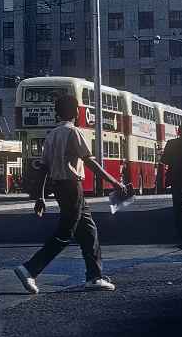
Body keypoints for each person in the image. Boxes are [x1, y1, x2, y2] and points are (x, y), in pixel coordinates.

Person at [14, 94, 126, 294]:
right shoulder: (74, 132)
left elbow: (43, 168)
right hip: (72, 186)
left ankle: (95, 276)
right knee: (65, 233)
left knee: (89, 231)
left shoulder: (52, 135)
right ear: (75, 111)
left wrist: (40, 196)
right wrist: (115, 182)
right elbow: (90, 162)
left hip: (59, 187)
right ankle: (30, 269)